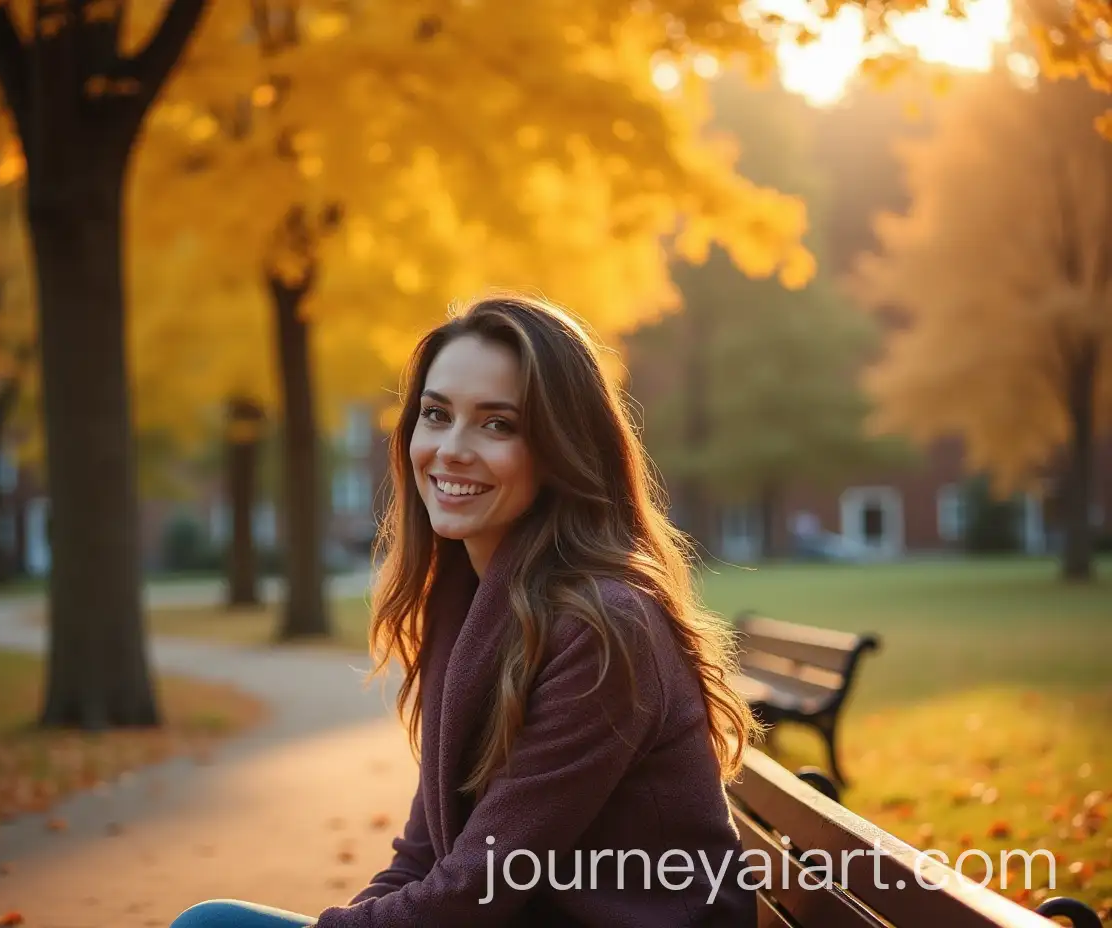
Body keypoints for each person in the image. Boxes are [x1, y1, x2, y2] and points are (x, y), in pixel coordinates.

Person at [170, 293, 760, 927]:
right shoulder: (472, 605)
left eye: (497, 423)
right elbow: (424, 855)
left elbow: (478, 887)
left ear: (561, 450)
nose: (451, 448)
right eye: (436, 414)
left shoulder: (604, 627)